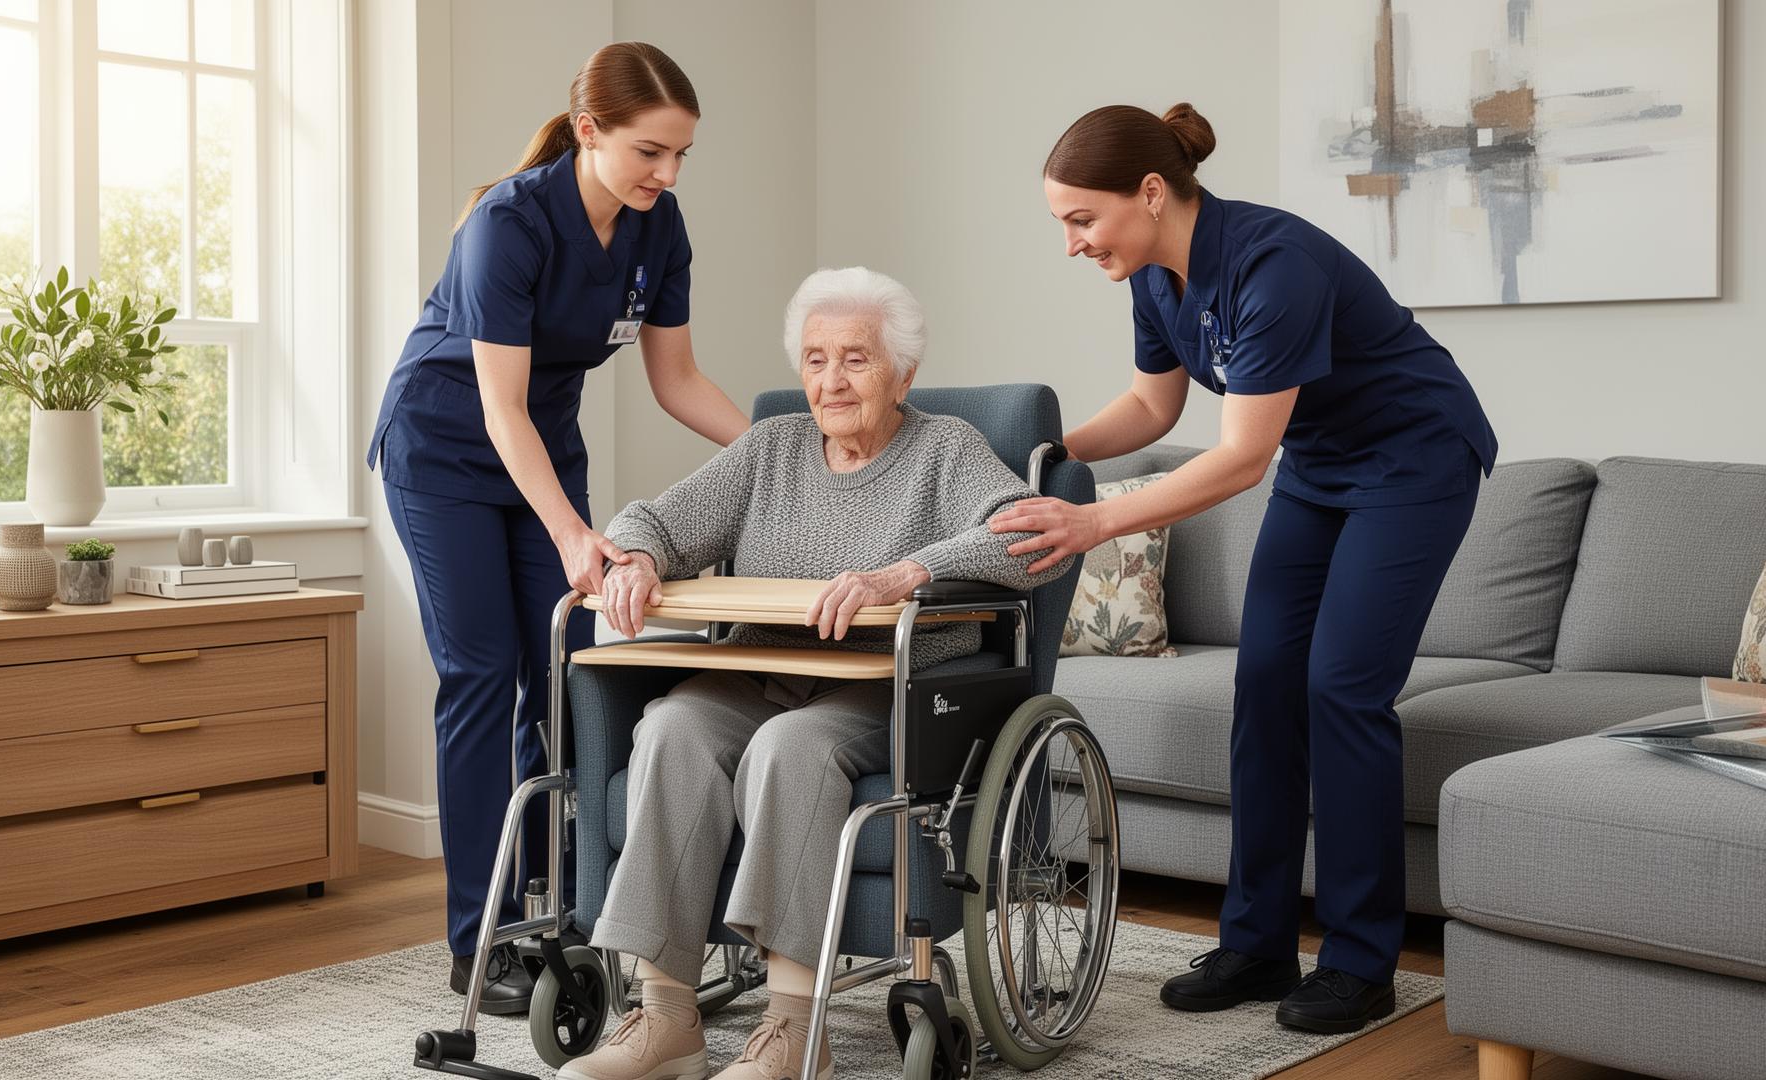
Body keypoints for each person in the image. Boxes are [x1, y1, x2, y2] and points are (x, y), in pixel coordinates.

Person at [993, 103, 1497, 1035]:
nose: (1071, 244)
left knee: (1341, 688)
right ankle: (1258, 942)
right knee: (1264, 682)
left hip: (1414, 458)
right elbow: (1150, 406)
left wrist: (1092, 518)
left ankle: (1358, 962)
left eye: (1081, 219)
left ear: (1150, 193)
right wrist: (1037, 451)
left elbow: (1235, 460)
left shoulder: (1275, 265)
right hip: (1319, 464)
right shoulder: (1153, 276)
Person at [557, 267, 1071, 1080]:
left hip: (880, 689)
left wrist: (904, 573)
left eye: (857, 359)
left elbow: (1027, 539)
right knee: (672, 726)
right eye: (816, 359)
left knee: (789, 749)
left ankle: (797, 1031)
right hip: (758, 672)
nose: (831, 381)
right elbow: (654, 517)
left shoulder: (946, 451)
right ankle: (666, 1022)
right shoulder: (771, 447)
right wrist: (637, 559)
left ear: (902, 372)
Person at [366, 42, 748, 1014]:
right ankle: (483, 939)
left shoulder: (658, 233)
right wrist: (579, 537)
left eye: (681, 157)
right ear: (590, 132)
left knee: (570, 675)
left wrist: (781, 445)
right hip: (445, 453)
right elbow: (501, 410)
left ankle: (563, 913)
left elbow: (677, 382)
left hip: (545, 453)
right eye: (649, 152)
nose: (666, 175)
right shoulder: (509, 222)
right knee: (485, 672)